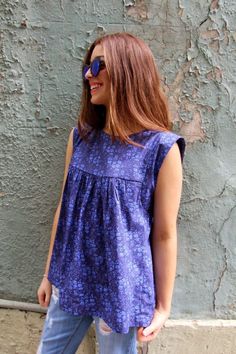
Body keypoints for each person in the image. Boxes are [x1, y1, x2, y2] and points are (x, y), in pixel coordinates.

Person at [37, 32, 185, 354]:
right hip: (71, 279)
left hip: (121, 291)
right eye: (88, 67)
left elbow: (164, 234)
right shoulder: (80, 139)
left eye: (99, 65)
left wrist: (163, 305)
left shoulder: (160, 149)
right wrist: (49, 273)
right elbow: (64, 209)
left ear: (129, 71)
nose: (89, 74)